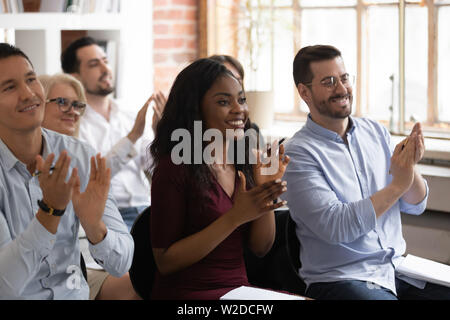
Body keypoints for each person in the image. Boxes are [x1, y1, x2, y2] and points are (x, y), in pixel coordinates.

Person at [282, 44, 450, 300]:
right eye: (328, 82)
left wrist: (409, 168)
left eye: (344, 78)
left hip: (396, 270)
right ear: (304, 92)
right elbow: (337, 227)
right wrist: (396, 186)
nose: (341, 89)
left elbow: (416, 204)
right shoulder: (297, 153)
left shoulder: (375, 131)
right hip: (342, 279)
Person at [0, 43, 133, 299]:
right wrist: (50, 211)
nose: (28, 94)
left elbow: (122, 263)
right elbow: (4, 286)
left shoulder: (80, 155)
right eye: (9, 87)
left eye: (30, 79)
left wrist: (95, 228)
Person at [149, 58, 290, 299]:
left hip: (237, 291)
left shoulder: (244, 164)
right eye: (224, 102)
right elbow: (165, 261)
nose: (240, 110)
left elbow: (261, 247)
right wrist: (234, 218)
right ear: (195, 108)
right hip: (188, 294)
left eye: (242, 99)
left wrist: (266, 193)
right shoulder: (174, 167)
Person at [38, 73, 140, 300]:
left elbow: (121, 257)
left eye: (77, 105)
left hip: (93, 260)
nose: (72, 111)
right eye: (62, 102)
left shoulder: (84, 157)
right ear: (36, 104)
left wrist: (95, 226)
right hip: (69, 269)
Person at [61, 36, 166, 230]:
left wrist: (160, 135)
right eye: (94, 64)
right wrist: (132, 136)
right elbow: (92, 175)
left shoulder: (128, 116)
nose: (105, 69)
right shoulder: (73, 124)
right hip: (107, 215)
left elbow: (155, 168)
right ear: (75, 77)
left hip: (147, 209)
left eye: (106, 61)